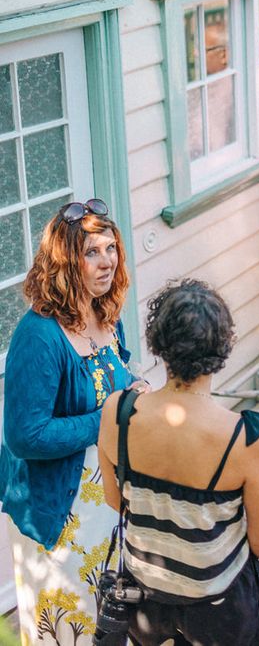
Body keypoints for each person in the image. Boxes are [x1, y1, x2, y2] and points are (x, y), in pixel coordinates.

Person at [98, 280, 259, 645]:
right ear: (223, 346)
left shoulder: (118, 410)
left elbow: (116, 500)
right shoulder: (244, 436)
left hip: (145, 598)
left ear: (159, 341)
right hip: (217, 606)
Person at [0, 199, 141, 642]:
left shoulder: (105, 314)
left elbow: (115, 378)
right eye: (91, 253)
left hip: (108, 507)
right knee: (71, 628)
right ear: (64, 262)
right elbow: (25, 435)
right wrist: (110, 417)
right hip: (61, 516)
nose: (107, 262)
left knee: (111, 625)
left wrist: (137, 390)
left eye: (111, 248)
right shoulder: (38, 336)